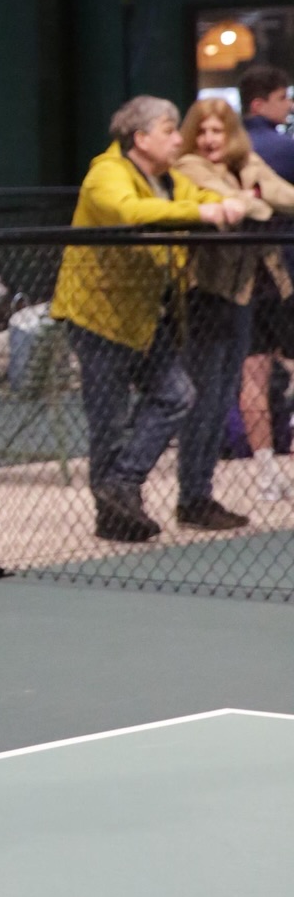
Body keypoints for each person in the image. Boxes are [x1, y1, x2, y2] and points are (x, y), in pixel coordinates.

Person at [50, 95, 243, 542]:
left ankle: (121, 484)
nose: (180, 139)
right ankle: (114, 514)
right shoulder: (106, 174)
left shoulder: (168, 180)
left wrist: (219, 202)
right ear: (140, 138)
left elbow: (207, 195)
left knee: (176, 394)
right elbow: (128, 213)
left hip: (144, 317)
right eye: (169, 130)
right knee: (108, 420)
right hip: (98, 315)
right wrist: (202, 213)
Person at [176, 98, 294, 517]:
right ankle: (192, 496)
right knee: (204, 399)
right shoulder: (189, 166)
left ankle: (202, 495)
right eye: (203, 131)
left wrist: (253, 194)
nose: (209, 140)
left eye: (217, 132)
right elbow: (247, 204)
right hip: (206, 295)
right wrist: (253, 199)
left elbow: (285, 196)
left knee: (225, 390)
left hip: (249, 291)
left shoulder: (248, 161)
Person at [236, 65, 294, 498]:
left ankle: (267, 476)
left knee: (251, 373)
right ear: (260, 103)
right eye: (282, 97)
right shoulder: (284, 148)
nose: (289, 105)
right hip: (286, 276)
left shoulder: (226, 156)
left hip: (242, 279)